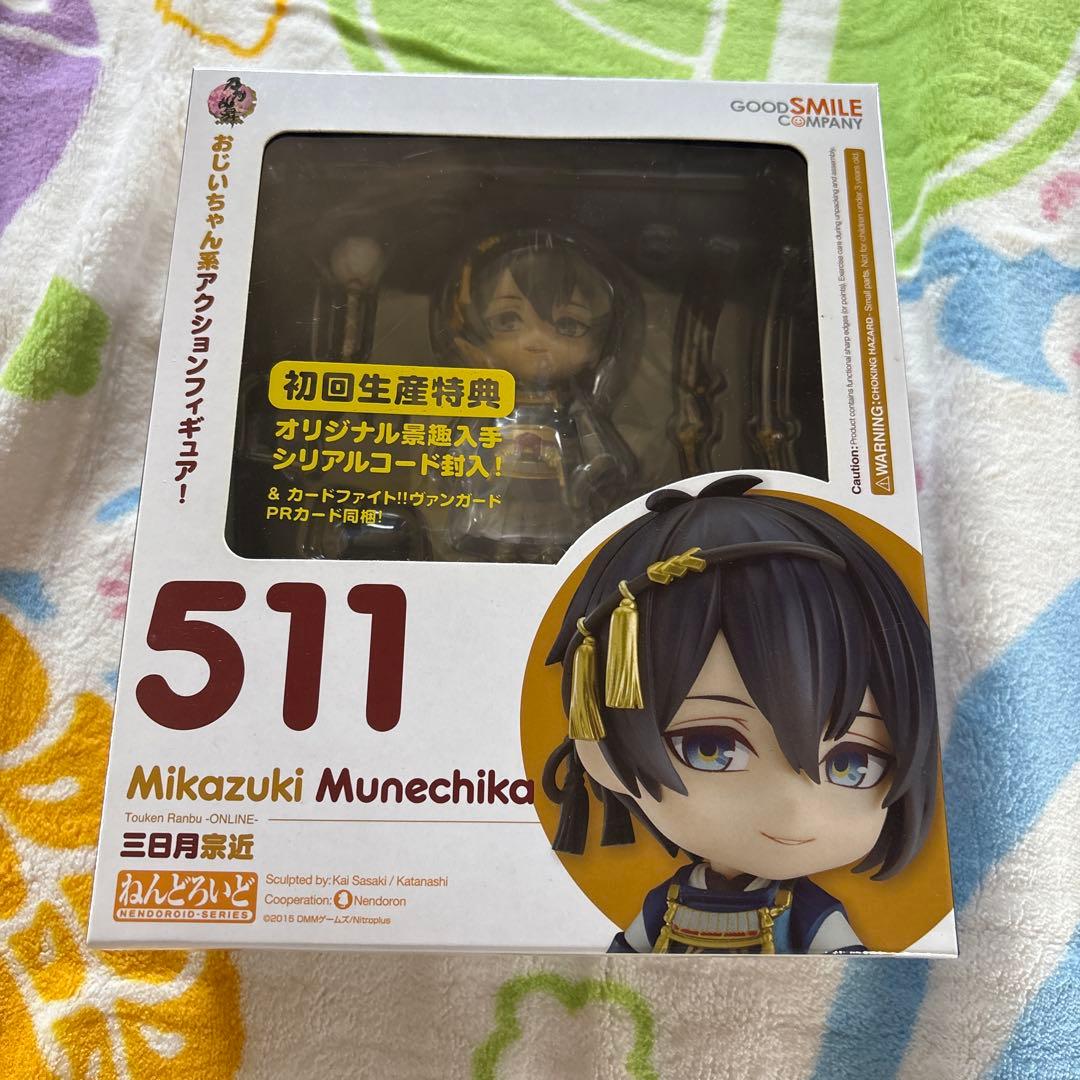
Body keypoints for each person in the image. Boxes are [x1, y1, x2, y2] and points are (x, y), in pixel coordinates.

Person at [541, 474, 939, 953]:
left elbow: (845, 973)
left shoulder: (807, 911)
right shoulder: (666, 902)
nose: (794, 807)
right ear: (597, 747)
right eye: (711, 748)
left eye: (852, 764)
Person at [431, 229, 639, 563]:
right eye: (508, 321)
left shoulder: (573, 410)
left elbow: (598, 450)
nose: (537, 341)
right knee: (496, 543)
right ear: (475, 339)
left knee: (557, 550)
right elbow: (461, 445)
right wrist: (462, 470)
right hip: (498, 505)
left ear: (596, 348)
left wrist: (592, 473)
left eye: (568, 325)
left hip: (557, 508)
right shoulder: (491, 405)